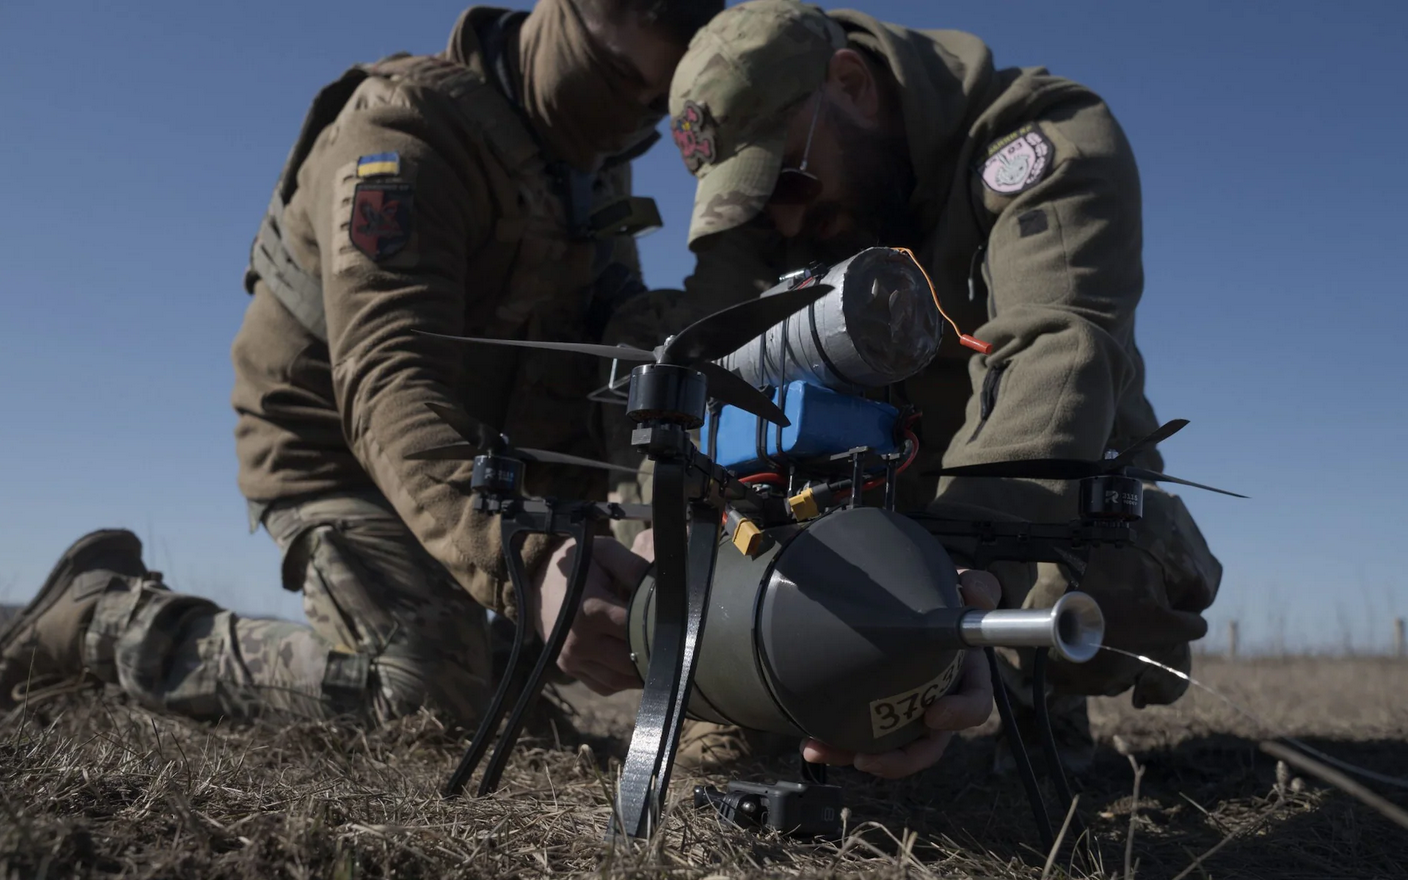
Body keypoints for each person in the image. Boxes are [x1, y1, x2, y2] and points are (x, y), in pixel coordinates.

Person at [0, 0, 722, 732]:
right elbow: (387, 378)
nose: (627, 114)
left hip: (476, 477)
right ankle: (103, 619)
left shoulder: (589, 173)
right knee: (424, 696)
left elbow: (618, 358)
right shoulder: (405, 131)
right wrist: (528, 564)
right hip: (339, 458)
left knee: (526, 725)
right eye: (615, 74)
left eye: (651, 103)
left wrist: (657, 514)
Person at [659, 0, 1224, 778]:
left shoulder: (1040, 139)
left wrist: (952, 588)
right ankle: (746, 694)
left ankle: (1047, 694)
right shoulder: (786, 219)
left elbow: (1052, 347)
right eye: (757, 200)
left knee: (1104, 586)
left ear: (851, 84)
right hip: (860, 493)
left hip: (1021, 494)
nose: (785, 221)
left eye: (787, 178)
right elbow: (696, 365)